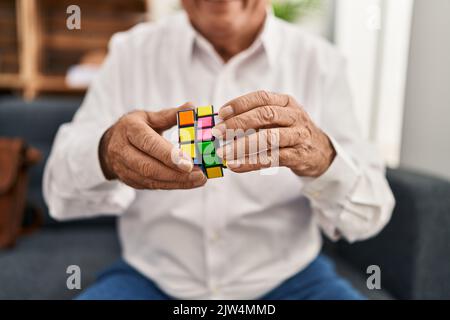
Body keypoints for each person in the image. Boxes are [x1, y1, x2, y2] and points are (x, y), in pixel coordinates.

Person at [44, 0, 395, 300]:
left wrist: (322, 158)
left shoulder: (322, 62)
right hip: (151, 279)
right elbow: (56, 188)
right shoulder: (130, 52)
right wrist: (107, 151)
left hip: (293, 280)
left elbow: (371, 214)